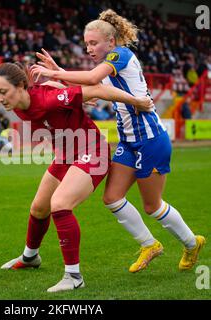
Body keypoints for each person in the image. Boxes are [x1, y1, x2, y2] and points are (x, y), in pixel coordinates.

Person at [31, 9, 205, 273]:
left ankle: (192, 243)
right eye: (86, 43)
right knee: (112, 198)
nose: (89, 48)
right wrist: (61, 71)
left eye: (94, 43)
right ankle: (150, 245)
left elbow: (91, 79)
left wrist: (55, 75)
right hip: (128, 141)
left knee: (152, 206)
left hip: (150, 141)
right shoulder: (111, 66)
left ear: (111, 42)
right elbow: (90, 88)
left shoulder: (120, 55)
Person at [0, 62, 153, 292]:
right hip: (66, 155)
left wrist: (138, 101)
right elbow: (51, 86)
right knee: (38, 208)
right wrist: (65, 86)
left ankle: (74, 276)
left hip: (93, 152)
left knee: (60, 205)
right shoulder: (21, 100)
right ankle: (30, 257)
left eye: (3, 92)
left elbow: (96, 88)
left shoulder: (46, 100)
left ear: (21, 86)